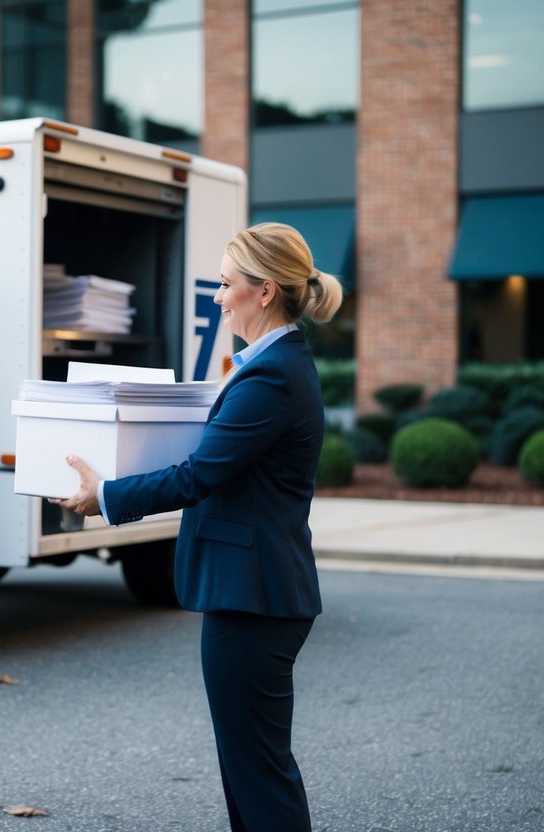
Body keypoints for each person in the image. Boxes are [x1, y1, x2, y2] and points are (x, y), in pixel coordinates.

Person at [54, 222, 343, 831]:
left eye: (225, 282)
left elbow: (199, 475)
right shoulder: (271, 365)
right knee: (251, 768)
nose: (217, 295)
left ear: (264, 292)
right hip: (256, 590)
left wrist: (103, 495)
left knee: (259, 773)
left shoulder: (272, 375)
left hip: (254, 596)